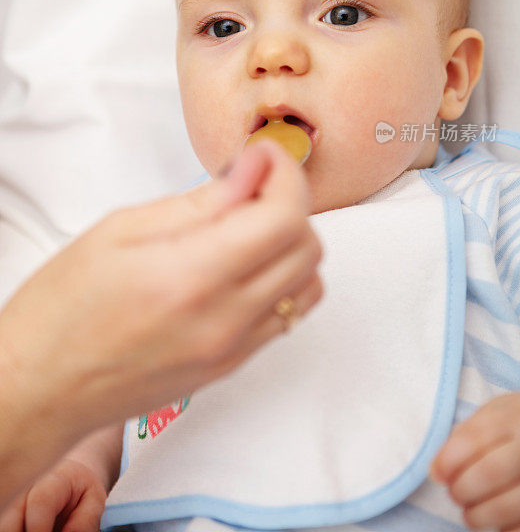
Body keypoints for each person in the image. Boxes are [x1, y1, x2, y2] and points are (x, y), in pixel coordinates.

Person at [3, 0, 520, 531]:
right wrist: (80, 459)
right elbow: (115, 379)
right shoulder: (177, 239)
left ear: (450, 76)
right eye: (222, 26)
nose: (271, 52)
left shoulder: (493, 208)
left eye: (342, 14)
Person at [0, 137, 323, 512]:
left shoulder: (406, 226)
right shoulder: (187, 236)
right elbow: (127, 388)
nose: (267, 73)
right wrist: (85, 460)